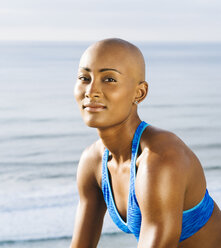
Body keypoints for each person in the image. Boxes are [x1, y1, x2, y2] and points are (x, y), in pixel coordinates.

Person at [70, 38, 221, 248]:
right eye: (84, 77)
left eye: (109, 79)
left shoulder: (161, 157)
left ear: (139, 93)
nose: (91, 90)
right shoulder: (93, 162)